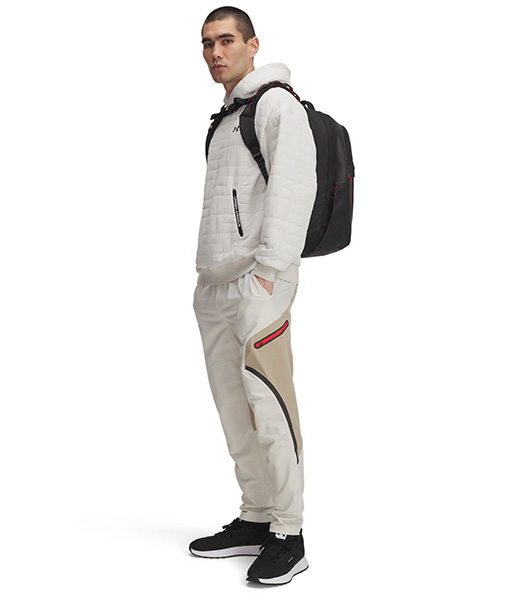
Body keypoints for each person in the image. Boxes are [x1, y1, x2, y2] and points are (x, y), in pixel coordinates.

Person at [190, 6, 316, 586]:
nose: (216, 53)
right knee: (234, 411)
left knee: (270, 408)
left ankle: (289, 533)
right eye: (207, 43)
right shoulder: (225, 118)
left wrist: (268, 274)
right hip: (216, 286)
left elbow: (294, 189)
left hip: (258, 285)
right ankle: (256, 517)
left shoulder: (276, 105)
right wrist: (208, 281)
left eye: (226, 40)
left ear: (252, 44)